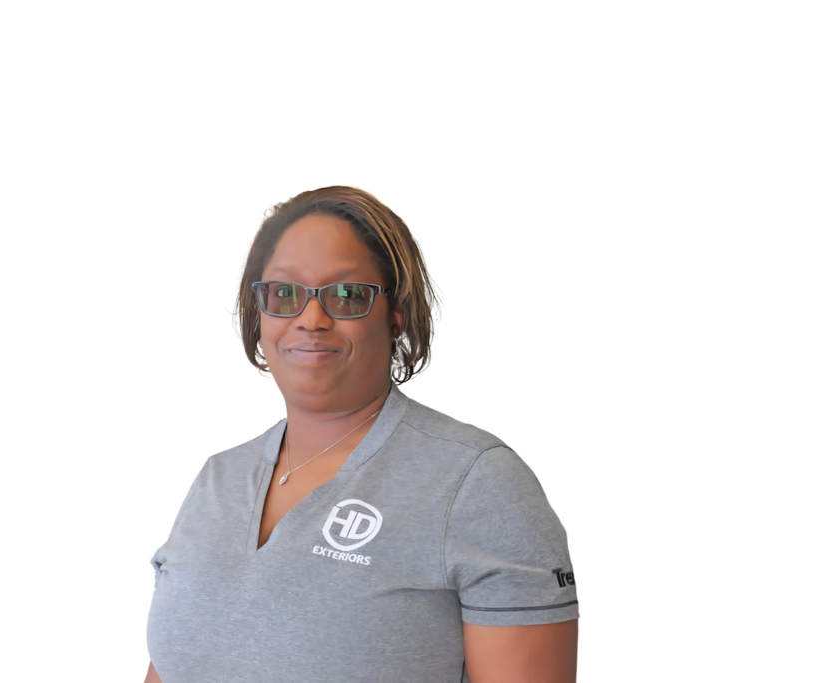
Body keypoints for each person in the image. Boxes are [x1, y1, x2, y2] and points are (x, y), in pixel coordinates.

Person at [143, 185, 579, 683]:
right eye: (284, 294)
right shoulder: (216, 478)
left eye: (347, 294)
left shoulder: (477, 481)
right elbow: (171, 666)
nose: (311, 320)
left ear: (396, 314)